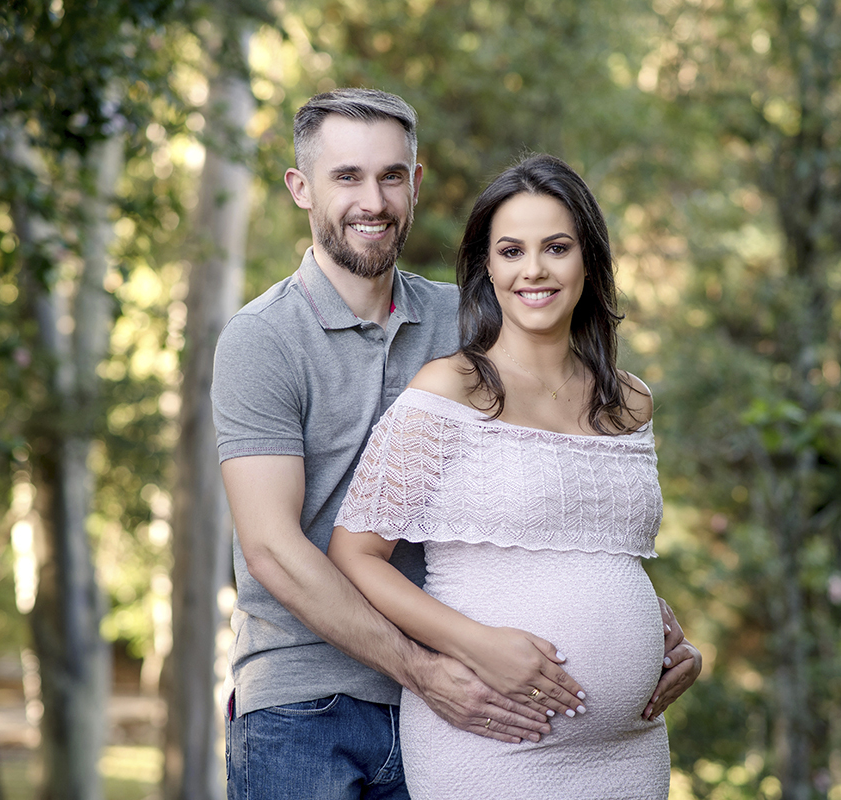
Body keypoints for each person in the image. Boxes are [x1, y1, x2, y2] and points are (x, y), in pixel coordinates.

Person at [212, 88, 700, 800]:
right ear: (300, 188)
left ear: (416, 184)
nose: (371, 200)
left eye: (390, 176)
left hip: (472, 700)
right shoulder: (263, 340)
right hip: (310, 701)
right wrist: (425, 670)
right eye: (345, 176)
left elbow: (554, 487)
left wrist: (643, 623)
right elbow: (273, 552)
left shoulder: (469, 322)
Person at [329, 153, 681, 798]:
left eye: (556, 247)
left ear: (589, 261)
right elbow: (357, 553)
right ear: (487, 268)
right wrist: (476, 644)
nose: (535, 270)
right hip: (493, 738)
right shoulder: (449, 389)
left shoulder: (630, 402)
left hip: (630, 750)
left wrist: (659, 632)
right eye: (512, 250)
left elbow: (600, 556)